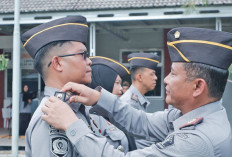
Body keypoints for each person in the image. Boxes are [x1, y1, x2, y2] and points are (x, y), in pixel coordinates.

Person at [42, 27, 232, 156]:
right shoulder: (191, 115)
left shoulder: (197, 140)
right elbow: (143, 123)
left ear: (198, 87)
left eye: (173, 74)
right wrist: (98, 97)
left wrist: (71, 124)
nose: (165, 80)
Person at [21, 15, 130, 157]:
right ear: (58, 63)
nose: (90, 61)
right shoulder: (50, 117)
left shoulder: (78, 109)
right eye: (83, 55)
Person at [88, 56, 137, 151]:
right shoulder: (90, 115)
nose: (121, 89)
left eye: (120, 83)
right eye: (117, 83)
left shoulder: (115, 113)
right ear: (103, 83)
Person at [120, 53, 159, 149]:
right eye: (152, 74)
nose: (156, 78)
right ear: (140, 77)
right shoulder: (129, 103)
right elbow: (135, 143)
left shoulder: (137, 100)